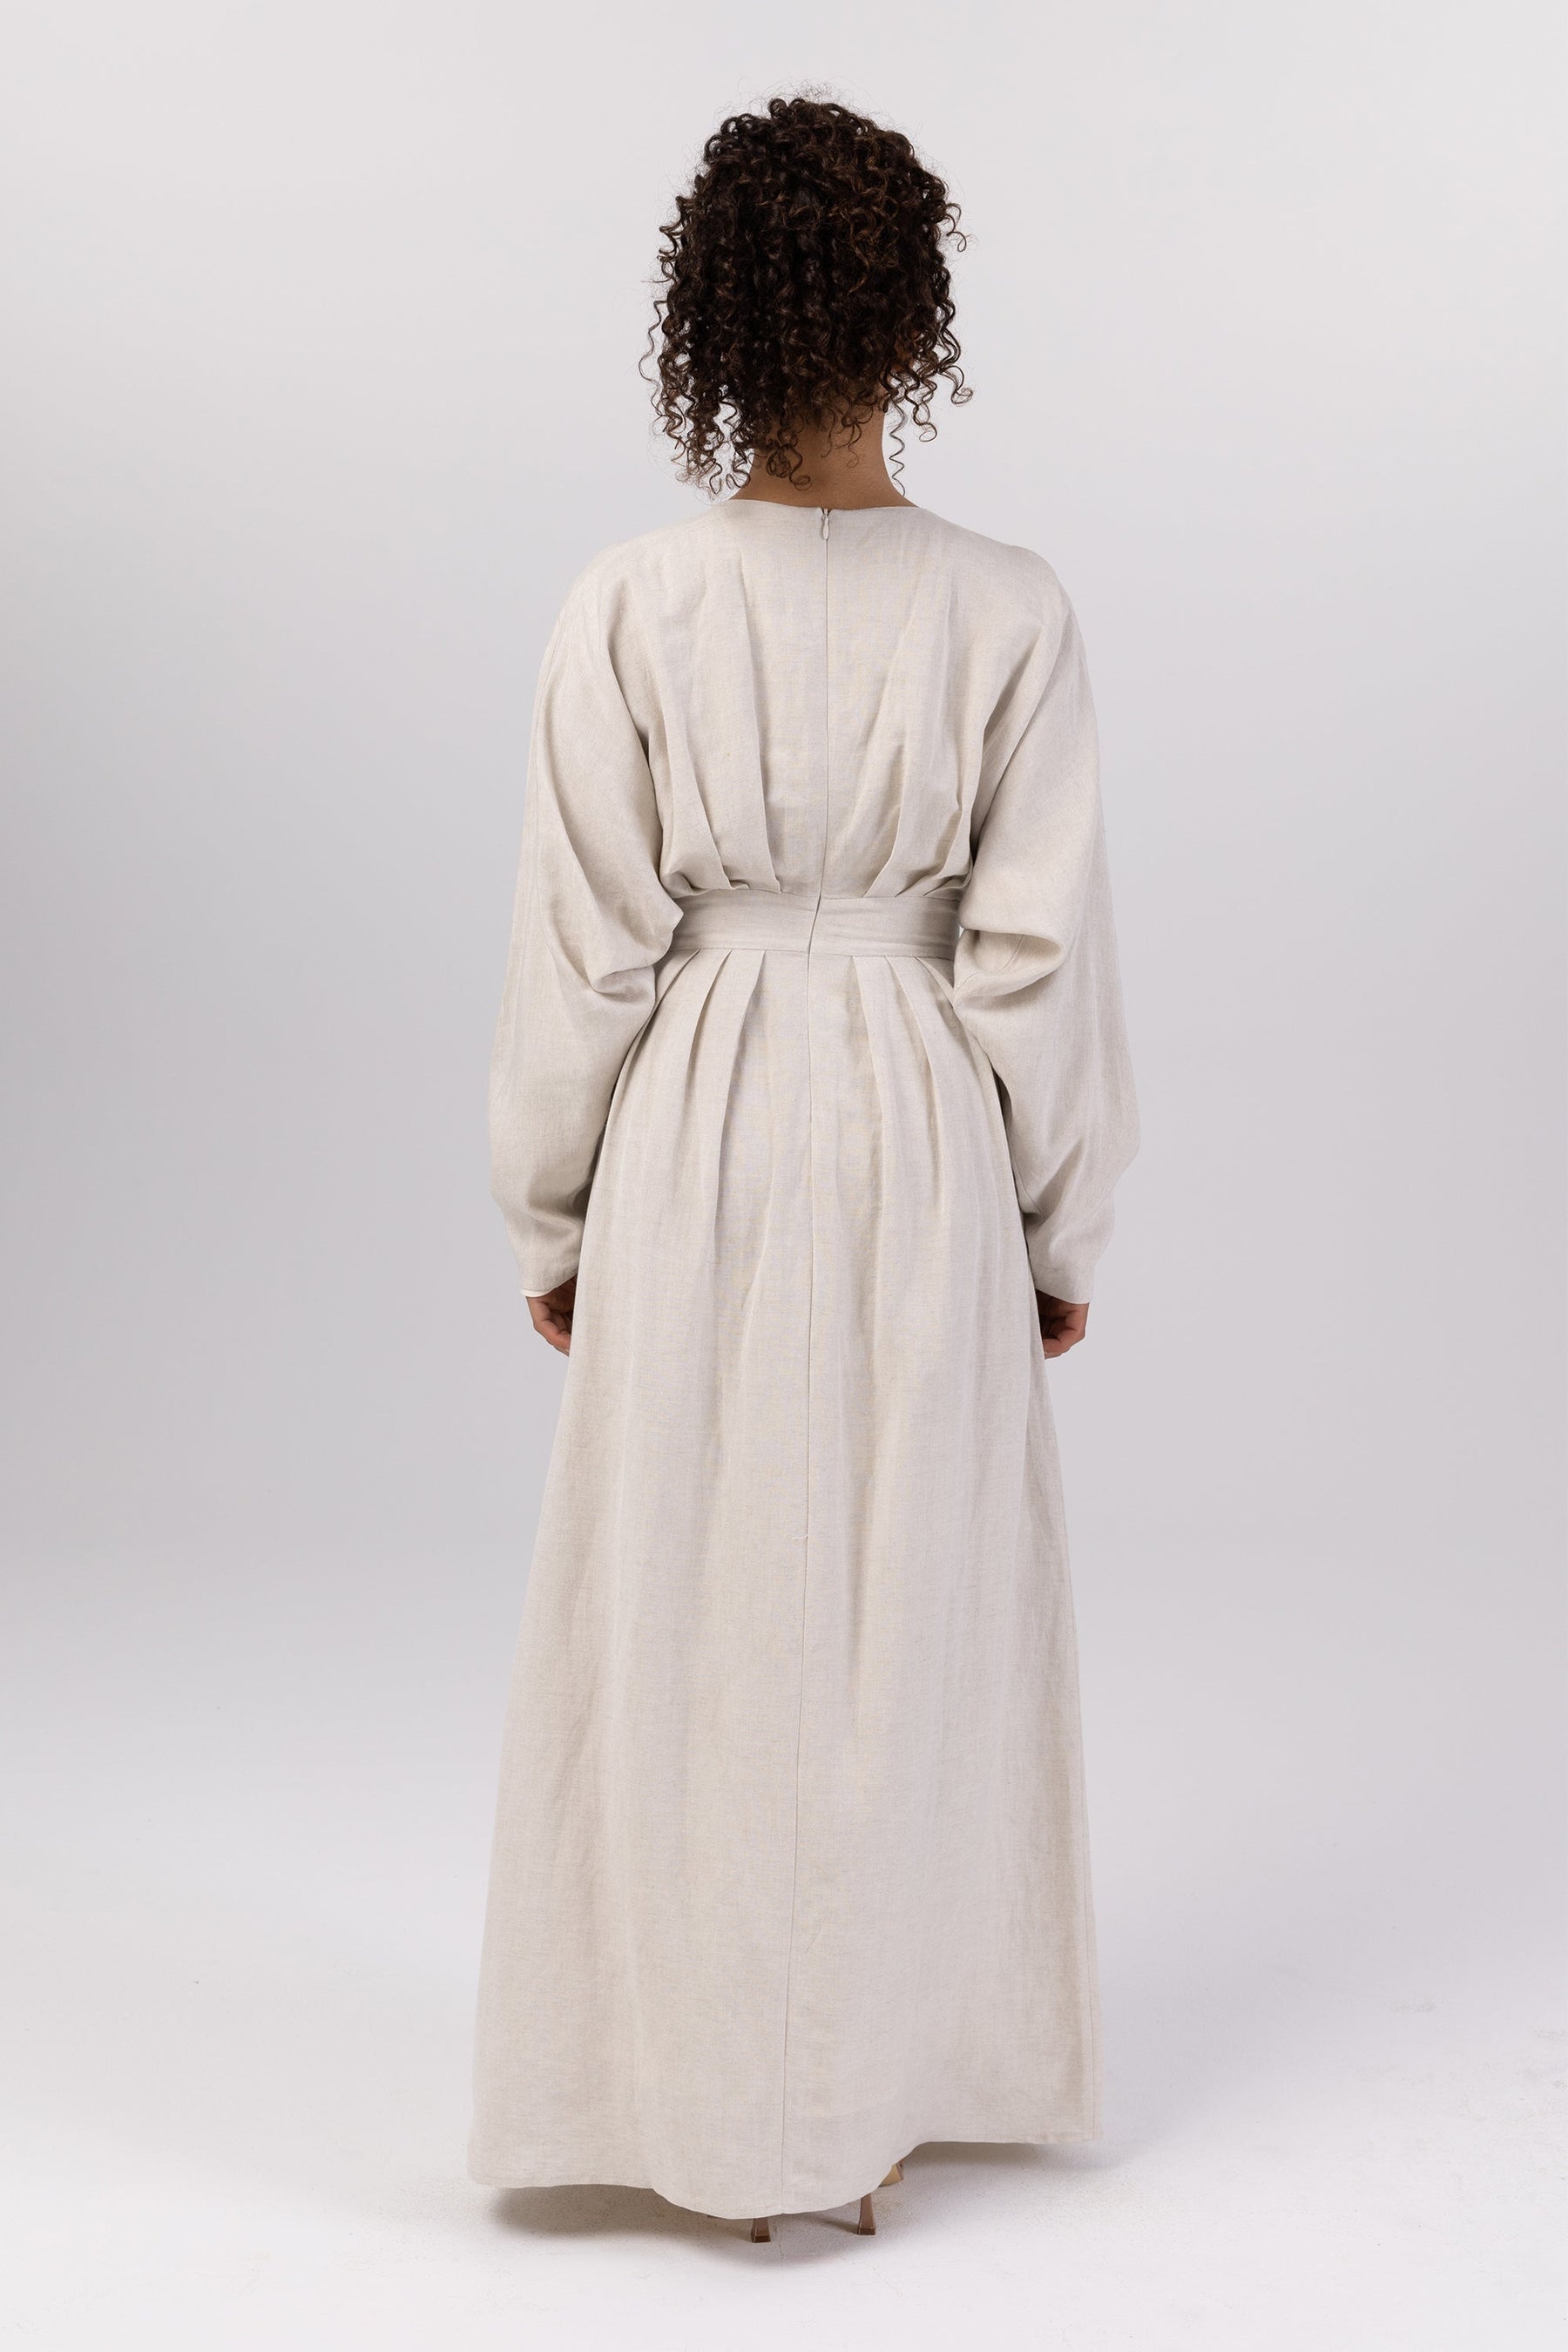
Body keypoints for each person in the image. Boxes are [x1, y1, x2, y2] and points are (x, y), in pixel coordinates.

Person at [469, 92, 1139, 2240]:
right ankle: (870, 2096)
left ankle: (682, 2087)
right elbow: (1037, 960)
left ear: (712, 321)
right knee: (905, 1595)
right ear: (915, 315)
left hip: (701, 1117)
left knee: (692, 1591)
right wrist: (1060, 1222)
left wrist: (552, 1207)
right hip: (924, 1117)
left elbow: (584, 947)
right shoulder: (1008, 611)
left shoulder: (633, 604)